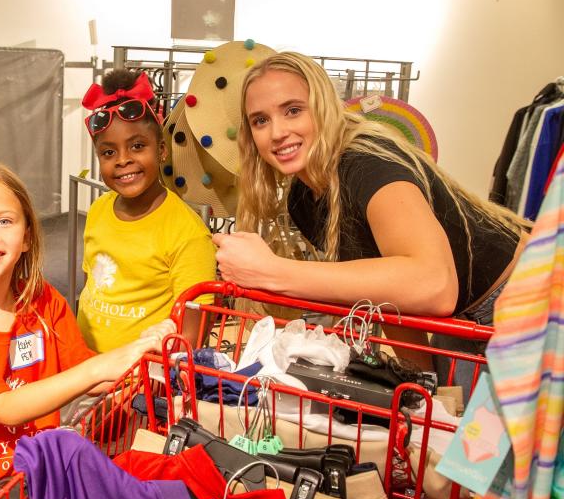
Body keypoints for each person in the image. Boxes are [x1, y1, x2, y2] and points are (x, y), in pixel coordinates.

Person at [0, 162, 174, 499]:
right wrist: (105, 365)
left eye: (4, 221)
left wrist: (144, 355)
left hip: (35, 480)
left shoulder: (43, 302)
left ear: (27, 236)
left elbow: (86, 374)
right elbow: (7, 408)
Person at [215, 51, 528, 329]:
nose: (278, 132)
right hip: (463, 316)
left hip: (523, 297)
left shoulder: (367, 165)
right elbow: (391, 300)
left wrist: (272, 271)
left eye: (293, 110)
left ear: (323, 107)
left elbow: (434, 284)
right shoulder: (303, 198)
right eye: (260, 120)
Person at [76, 69, 216, 352]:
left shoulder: (187, 233)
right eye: (108, 152)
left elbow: (193, 333)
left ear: (162, 150)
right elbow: (91, 286)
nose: (123, 160)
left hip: (141, 383)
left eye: (137, 146)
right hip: (85, 368)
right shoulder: (98, 210)